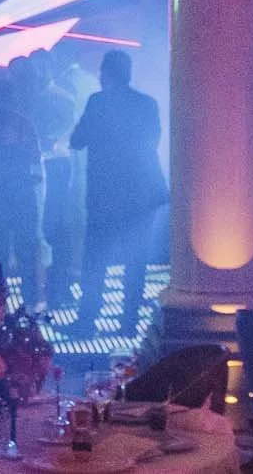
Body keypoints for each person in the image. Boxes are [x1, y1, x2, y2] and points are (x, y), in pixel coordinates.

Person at [70, 49, 165, 337]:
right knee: (135, 262)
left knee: (96, 261)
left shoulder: (97, 102)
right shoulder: (148, 104)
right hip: (141, 195)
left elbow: (77, 140)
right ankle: (129, 324)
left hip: (106, 196)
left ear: (106, 73)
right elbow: (153, 140)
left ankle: (87, 322)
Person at [0, 69, 44, 308]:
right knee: (26, 247)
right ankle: (30, 301)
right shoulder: (24, 123)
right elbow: (35, 156)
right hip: (21, 190)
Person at [34, 49, 81, 308]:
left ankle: (58, 287)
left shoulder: (62, 97)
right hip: (36, 166)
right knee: (42, 227)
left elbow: (73, 129)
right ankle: (49, 287)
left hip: (55, 165)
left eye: (43, 67)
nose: (40, 73)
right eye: (36, 68)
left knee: (54, 225)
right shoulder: (27, 96)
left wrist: (52, 142)